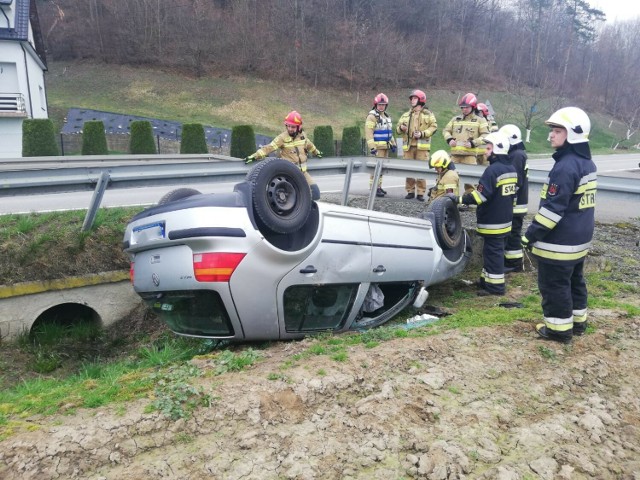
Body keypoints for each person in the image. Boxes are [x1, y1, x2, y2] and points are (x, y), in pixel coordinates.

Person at [522, 107, 597, 343]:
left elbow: (552, 211)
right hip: (579, 240)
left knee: (554, 285)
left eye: (556, 130)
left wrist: (530, 235)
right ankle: (578, 323)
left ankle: (558, 330)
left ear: (572, 133)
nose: (550, 136)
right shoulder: (586, 163)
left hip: (559, 242)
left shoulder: (565, 167)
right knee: (575, 281)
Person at [453, 132, 517, 296]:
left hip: (493, 222)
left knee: (493, 255)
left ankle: (495, 288)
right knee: (493, 253)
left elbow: (479, 196)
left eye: (488, 148)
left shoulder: (492, 171)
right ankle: (485, 281)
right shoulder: (511, 169)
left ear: (496, 150)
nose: (485, 151)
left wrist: (460, 199)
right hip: (505, 221)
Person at [245, 111, 323, 200]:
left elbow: (309, 145)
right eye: (288, 126)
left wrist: (317, 152)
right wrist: (254, 156)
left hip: (302, 174)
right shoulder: (282, 138)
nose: (289, 129)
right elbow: (269, 148)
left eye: (293, 127)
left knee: (315, 193)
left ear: (299, 126)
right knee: (296, 198)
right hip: (288, 174)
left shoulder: (303, 136)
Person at [396, 89, 437, 201]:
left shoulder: (428, 114)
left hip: (422, 148)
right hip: (408, 147)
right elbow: (397, 129)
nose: (412, 100)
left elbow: (434, 127)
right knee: (408, 170)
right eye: (412, 98)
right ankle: (410, 191)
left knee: (421, 170)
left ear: (421, 100)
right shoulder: (405, 115)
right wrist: (401, 128)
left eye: (415, 98)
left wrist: (423, 133)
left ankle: (420, 193)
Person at [443, 92, 489, 193]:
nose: (464, 109)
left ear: (473, 107)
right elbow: (445, 130)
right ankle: (452, 201)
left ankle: (470, 203)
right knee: (452, 180)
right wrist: (449, 139)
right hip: (455, 156)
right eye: (462, 107)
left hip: (470, 156)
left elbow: (486, 136)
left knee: (470, 183)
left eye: (466, 107)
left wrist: (473, 143)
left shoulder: (480, 120)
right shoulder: (455, 119)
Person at [499, 124, 529, 273]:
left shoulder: (517, 155)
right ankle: (511, 262)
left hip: (516, 204)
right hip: (516, 203)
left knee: (513, 234)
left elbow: (515, 181)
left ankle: (514, 264)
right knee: (511, 233)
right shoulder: (518, 153)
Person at [365, 93, 397, 197]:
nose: (381, 106)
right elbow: (368, 132)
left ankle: (379, 187)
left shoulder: (386, 117)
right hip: (378, 148)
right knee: (375, 170)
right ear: (376, 104)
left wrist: (393, 144)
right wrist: (372, 147)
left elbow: (389, 133)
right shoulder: (372, 117)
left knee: (381, 170)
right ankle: (373, 189)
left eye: (383, 104)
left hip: (385, 147)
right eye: (379, 104)